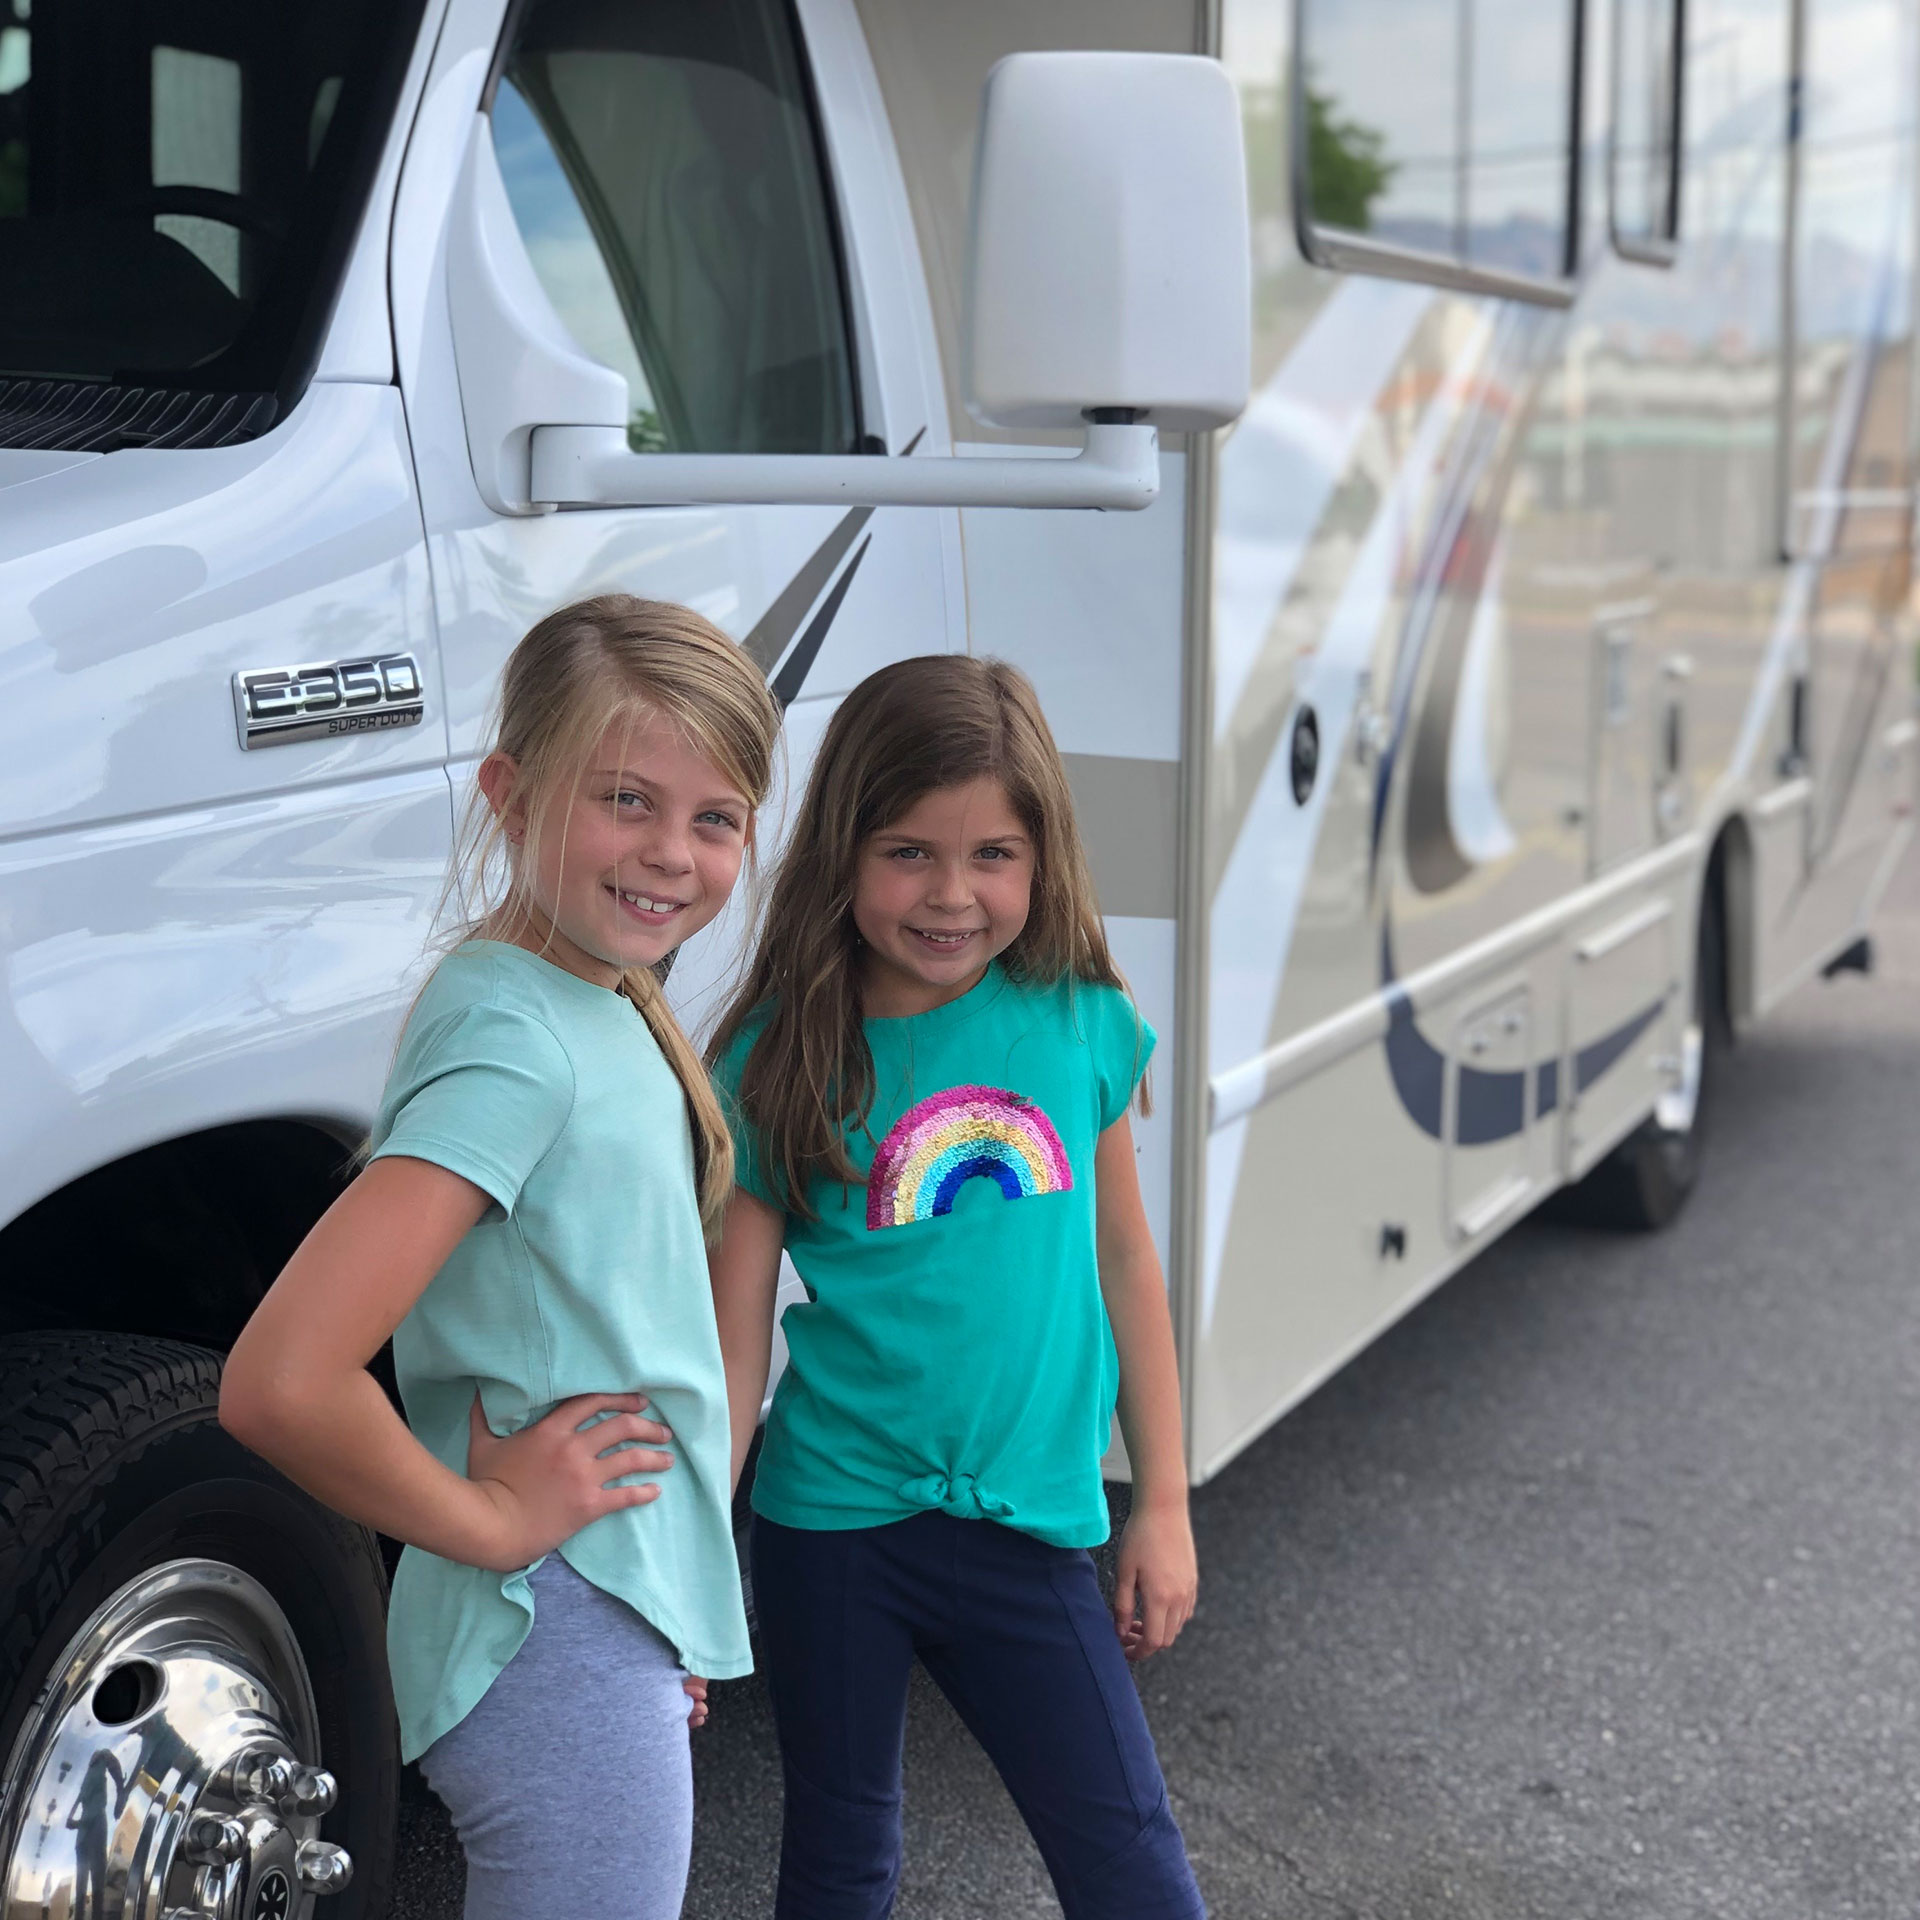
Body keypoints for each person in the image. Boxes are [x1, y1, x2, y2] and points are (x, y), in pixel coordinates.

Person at [221, 595, 781, 1920]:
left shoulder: (589, 988)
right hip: (548, 1626)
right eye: (627, 800)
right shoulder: (518, 1042)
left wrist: (667, 1605)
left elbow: (604, 1325)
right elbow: (282, 1379)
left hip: (597, 1615)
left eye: (717, 819)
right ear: (510, 792)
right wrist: (493, 1522)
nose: (672, 855)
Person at [707, 654, 1206, 1920]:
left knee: (1128, 1861)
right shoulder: (779, 1053)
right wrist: (690, 1564)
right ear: (842, 852)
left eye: (992, 854)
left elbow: (1124, 1261)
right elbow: (733, 1346)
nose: (952, 894)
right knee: (838, 1858)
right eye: (908, 852)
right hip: (835, 1528)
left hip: (1030, 1534)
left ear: (1040, 858)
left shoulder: (1078, 1019)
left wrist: (1163, 1501)